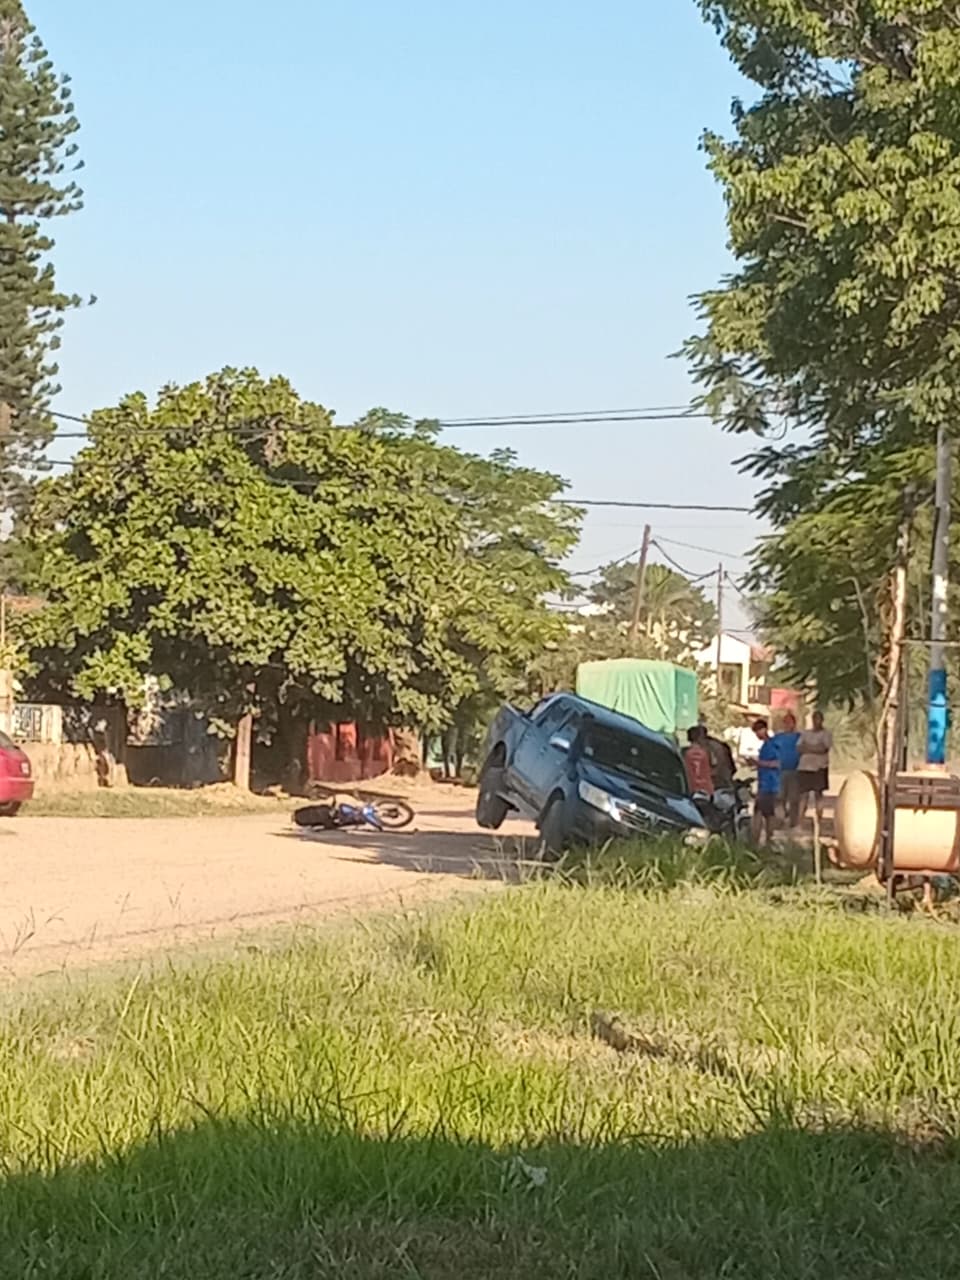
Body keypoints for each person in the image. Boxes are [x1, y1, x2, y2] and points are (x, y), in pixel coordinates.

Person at [798, 710, 833, 823]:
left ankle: (818, 820)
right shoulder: (805, 733)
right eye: (814, 719)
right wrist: (815, 747)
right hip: (804, 767)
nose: (816, 721)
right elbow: (799, 748)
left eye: (818, 719)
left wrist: (808, 747)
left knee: (818, 794)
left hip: (819, 768)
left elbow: (823, 749)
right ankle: (800, 821)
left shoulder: (826, 734)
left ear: (822, 720)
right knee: (803, 795)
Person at [752, 718, 780, 846]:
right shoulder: (764, 746)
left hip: (771, 784)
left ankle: (760, 840)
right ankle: (767, 840)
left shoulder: (773, 745)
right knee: (766, 813)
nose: (757, 734)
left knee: (762, 813)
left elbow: (777, 763)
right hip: (763, 783)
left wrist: (759, 763)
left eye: (758, 731)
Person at [773, 711, 802, 828]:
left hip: (795, 771)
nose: (787, 724)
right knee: (779, 798)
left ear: (794, 724)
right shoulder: (777, 738)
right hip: (780, 771)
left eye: (789, 722)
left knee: (794, 799)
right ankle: (780, 820)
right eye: (785, 722)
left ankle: (793, 822)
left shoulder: (799, 737)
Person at [683, 725, 714, 797]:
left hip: (690, 788)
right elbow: (713, 765)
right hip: (706, 789)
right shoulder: (707, 752)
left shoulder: (684, 752)